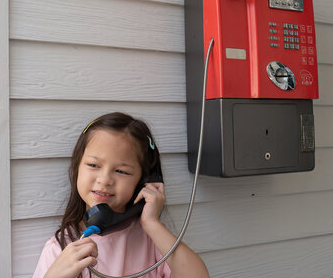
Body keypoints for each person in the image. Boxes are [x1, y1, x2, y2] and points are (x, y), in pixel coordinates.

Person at [33, 112, 209, 278]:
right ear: (77, 166)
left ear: (144, 180)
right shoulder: (61, 248)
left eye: (121, 171)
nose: (105, 180)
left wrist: (152, 223)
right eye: (93, 165)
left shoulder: (152, 241)